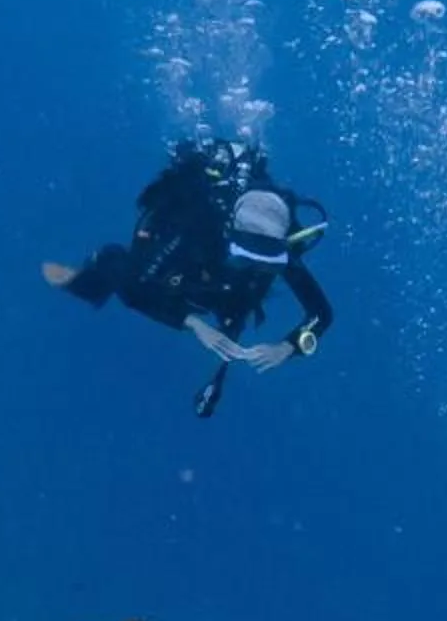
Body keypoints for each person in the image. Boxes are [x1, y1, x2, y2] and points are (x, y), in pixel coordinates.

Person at [52, 138, 333, 416]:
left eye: (268, 265)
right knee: (125, 272)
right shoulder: (195, 226)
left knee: (235, 313)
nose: (255, 268)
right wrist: (193, 323)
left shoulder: (280, 245)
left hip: (226, 296)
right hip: (189, 280)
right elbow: (135, 292)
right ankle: (90, 274)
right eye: (246, 258)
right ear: (229, 235)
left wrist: (288, 347)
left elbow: (321, 312)